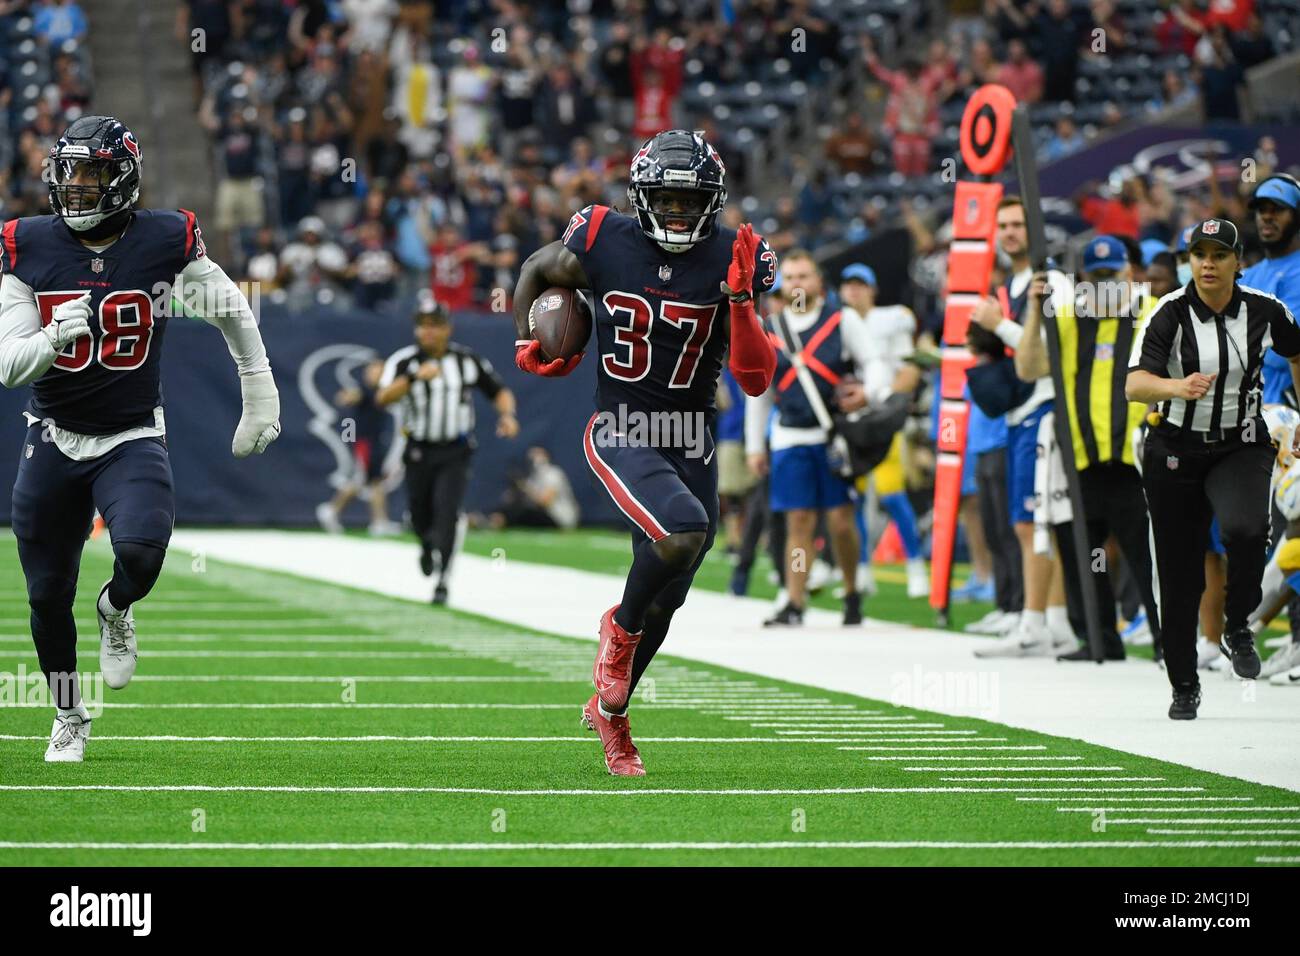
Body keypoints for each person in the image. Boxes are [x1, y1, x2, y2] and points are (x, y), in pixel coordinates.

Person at [0, 116, 281, 762]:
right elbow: (9, 364)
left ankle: (116, 607)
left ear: (122, 179)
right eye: (67, 173)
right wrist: (52, 337)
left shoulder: (163, 239)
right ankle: (69, 712)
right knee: (45, 594)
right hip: (53, 433)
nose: (75, 188)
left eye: (91, 174)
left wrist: (258, 388)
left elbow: (234, 312)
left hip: (130, 433)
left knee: (145, 553)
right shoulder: (27, 244)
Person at [511, 130, 777, 776]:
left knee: (671, 595)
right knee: (682, 532)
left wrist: (740, 301)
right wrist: (533, 339)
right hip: (623, 426)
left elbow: (755, 378)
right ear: (641, 196)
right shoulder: (601, 235)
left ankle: (612, 713)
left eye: (692, 203)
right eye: (669, 201)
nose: (681, 215)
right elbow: (535, 271)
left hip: (692, 437)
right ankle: (616, 634)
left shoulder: (734, 254)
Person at [1127, 217, 1300, 719]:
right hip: (1175, 446)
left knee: (1245, 530)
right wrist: (1175, 387)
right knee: (1180, 577)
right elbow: (1135, 385)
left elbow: (1296, 349)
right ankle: (1184, 685)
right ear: (1189, 260)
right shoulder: (1169, 313)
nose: (1207, 263)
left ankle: (1238, 624)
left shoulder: (1266, 311)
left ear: (1237, 262)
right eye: (1199, 254)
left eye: (1219, 254)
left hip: (1239, 443)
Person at [1013, 236, 1162, 661]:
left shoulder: (1152, 314)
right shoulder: (1065, 317)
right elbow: (1028, 368)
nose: (1102, 287)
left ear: (1128, 275)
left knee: (1147, 557)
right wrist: (1032, 311)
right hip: (1079, 461)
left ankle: (1168, 641)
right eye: (1093, 279)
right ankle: (1099, 640)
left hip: (1137, 461)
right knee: (1086, 554)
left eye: (1109, 277)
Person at [969, 197, 1075, 657]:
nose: (1010, 233)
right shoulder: (1013, 284)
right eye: (1003, 226)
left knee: (1035, 522)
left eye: (1018, 224)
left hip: (1045, 408)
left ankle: (1033, 623)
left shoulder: (1051, 282)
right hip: (1021, 413)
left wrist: (1001, 326)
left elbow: (1052, 355)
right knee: (1031, 522)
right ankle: (1056, 624)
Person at [745, 251, 865, 627]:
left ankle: (850, 588)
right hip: (789, 437)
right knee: (799, 521)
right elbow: (759, 392)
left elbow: (873, 364)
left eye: (804, 276)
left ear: (819, 283)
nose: (797, 284)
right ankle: (795, 600)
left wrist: (866, 393)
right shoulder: (771, 329)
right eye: (791, 277)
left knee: (841, 521)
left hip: (831, 437)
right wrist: (754, 445)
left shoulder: (841, 322)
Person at [377, 293, 518, 604]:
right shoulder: (404, 361)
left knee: (448, 510)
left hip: (455, 449)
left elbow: (499, 390)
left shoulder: (466, 360)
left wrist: (506, 415)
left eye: (435, 325)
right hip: (418, 448)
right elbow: (383, 397)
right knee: (418, 515)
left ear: (447, 328)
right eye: (423, 326)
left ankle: (443, 579)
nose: (428, 331)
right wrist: (414, 377)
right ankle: (427, 545)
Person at [837, 263, 929, 598]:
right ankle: (862, 571)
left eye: (860, 284)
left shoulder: (892, 319)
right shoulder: (839, 322)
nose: (854, 290)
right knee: (856, 497)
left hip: (882, 413)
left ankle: (916, 566)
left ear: (873, 289)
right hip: (854, 417)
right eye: (848, 284)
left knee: (892, 494)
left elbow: (909, 368)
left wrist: (893, 404)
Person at [1242, 173, 1300, 678]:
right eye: (1261, 208)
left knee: (1294, 530)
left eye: (1277, 209)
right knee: (1268, 532)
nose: (1266, 216)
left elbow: (1289, 345)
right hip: (1250, 423)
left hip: (1289, 417)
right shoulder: (1253, 273)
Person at [315, 357, 399, 536]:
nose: (378, 374)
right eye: (374, 370)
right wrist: (348, 396)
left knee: (375, 481)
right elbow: (350, 396)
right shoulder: (364, 389)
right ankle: (331, 510)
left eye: (381, 371)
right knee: (360, 480)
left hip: (375, 441)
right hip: (364, 443)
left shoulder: (382, 391)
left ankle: (379, 522)